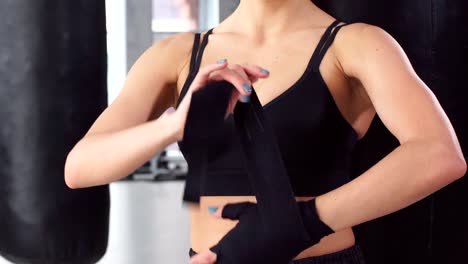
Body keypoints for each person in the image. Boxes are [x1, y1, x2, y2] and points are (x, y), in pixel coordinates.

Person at [64, 0, 467, 263]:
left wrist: (296, 225)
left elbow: (439, 153)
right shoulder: (179, 55)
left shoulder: (356, 45)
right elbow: (80, 167)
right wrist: (174, 124)